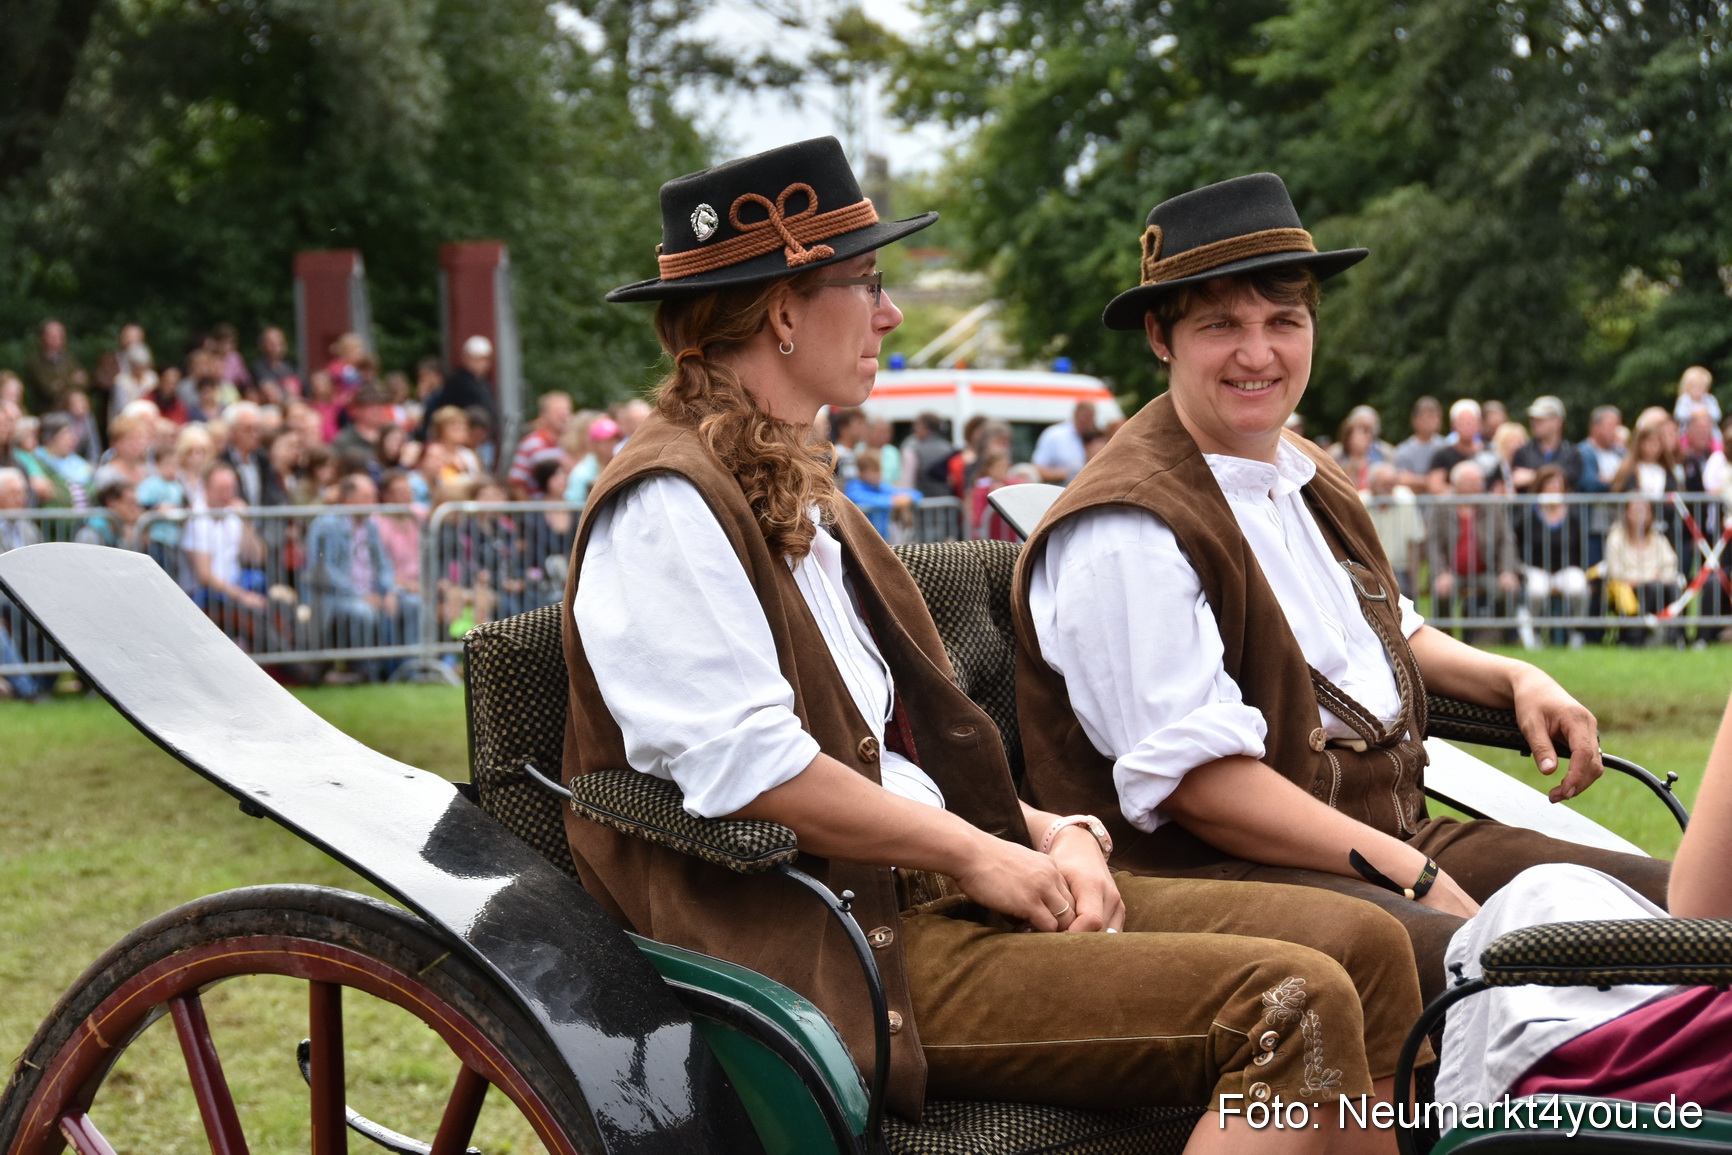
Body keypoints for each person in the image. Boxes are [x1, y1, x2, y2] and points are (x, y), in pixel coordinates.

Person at [564, 138, 1422, 1154]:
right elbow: (751, 766)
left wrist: (1044, 829)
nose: (887, 313)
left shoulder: (796, 489)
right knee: (1287, 998)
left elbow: (880, 758)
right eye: (867, 283)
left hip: (923, 892)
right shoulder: (667, 504)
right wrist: (979, 851)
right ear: (783, 312)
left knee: (1367, 943)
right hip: (843, 946)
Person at [1013, 172, 1668, 1009]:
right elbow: (1198, 786)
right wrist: (1409, 872)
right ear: (1160, 336)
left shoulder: (1302, 472)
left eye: (1284, 321)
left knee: (1681, 913)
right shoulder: (1125, 529)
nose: (1259, 353)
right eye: (1221, 325)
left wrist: (1514, 678)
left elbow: (1386, 635)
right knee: (1521, 983)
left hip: (1389, 835)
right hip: (1225, 879)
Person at [307, 472, 398, 677]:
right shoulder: (327, 525)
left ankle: (403, 669)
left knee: (410, 604)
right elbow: (323, 570)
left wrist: (389, 590)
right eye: (367, 497)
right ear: (349, 498)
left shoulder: (370, 527)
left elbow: (383, 564)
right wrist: (359, 594)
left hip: (370, 593)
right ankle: (364, 671)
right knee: (363, 611)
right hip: (336, 596)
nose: (373, 502)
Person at [1514, 465, 1590, 648]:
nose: (1554, 488)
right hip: (1535, 568)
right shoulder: (1528, 515)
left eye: (1558, 485)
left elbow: (1581, 547)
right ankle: (1533, 631)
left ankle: (1576, 632)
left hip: (1565, 569)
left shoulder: (1573, 516)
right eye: (1549, 484)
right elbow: (1516, 543)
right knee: (1537, 591)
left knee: (1579, 585)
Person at [1603, 498, 1682, 646]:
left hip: (1657, 584)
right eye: (1636, 510)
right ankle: (1636, 635)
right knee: (1652, 587)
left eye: (1645, 510)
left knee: (1673, 587)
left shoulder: (1658, 538)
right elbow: (1616, 572)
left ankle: (1676, 636)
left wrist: (1656, 577)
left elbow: (1670, 564)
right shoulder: (1616, 538)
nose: (1641, 514)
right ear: (1626, 513)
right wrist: (1646, 578)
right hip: (1627, 589)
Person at [419, 336, 499, 440]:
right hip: (465, 438)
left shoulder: (483, 383)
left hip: (483, 438)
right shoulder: (458, 382)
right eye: (478, 359)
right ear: (466, 357)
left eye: (485, 359)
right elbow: (447, 411)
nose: (483, 363)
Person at [1509, 395, 1582, 491]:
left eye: (1541, 419)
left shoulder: (1572, 453)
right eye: (1533, 419)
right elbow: (1517, 480)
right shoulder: (1523, 452)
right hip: (1531, 506)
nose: (1535, 423)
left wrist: (1533, 476)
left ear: (1558, 422)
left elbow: (1570, 478)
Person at [842, 447, 918, 539]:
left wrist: (907, 498)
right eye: (874, 470)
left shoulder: (880, 486)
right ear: (862, 472)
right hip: (861, 539)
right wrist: (892, 501)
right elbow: (859, 498)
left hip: (882, 538)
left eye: (879, 470)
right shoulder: (854, 486)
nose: (878, 474)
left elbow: (915, 494)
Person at [507, 391, 573, 494]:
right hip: (540, 506)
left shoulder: (571, 444)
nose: (563, 416)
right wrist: (531, 509)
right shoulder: (530, 444)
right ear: (543, 414)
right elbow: (517, 483)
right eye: (557, 411)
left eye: (566, 410)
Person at [1032, 401, 1099, 483]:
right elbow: (1038, 469)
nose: (1087, 423)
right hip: (1057, 491)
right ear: (1075, 415)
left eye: (1089, 419)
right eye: (1084, 418)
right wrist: (1067, 474)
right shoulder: (1054, 435)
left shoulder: (1093, 438)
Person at [1393, 396, 1443, 491]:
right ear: (1415, 420)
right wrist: (1431, 482)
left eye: (1435, 416)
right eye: (1428, 417)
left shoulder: (1446, 446)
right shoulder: (1404, 450)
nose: (1432, 421)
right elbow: (1401, 478)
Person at [1674, 364, 1721, 433]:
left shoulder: (1710, 400)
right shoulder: (1684, 400)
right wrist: (1693, 414)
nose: (1699, 389)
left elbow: (1717, 415)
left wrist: (1706, 413)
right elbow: (1679, 415)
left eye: (1702, 386)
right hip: (1688, 432)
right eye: (1696, 386)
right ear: (1687, 387)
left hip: (1709, 432)